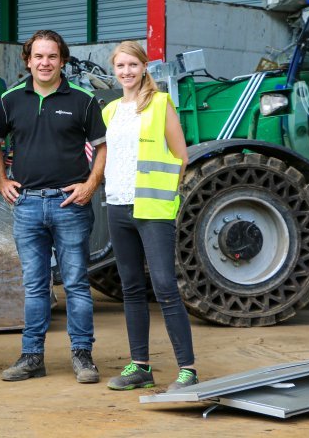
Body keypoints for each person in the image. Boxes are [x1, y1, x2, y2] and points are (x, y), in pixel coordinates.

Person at [0, 30, 106, 384]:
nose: (45, 63)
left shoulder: (83, 100)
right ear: (28, 61)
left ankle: (83, 356)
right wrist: (1, 180)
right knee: (35, 286)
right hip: (27, 204)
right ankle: (32, 357)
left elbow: (102, 147)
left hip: (70, 204)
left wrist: (90, 184)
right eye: (38, 56)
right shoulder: (10, 100)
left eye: (52, 56)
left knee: (76, 283)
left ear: (62, 61)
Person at [102, 41, 198, 392]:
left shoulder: (160, 104)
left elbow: (181, 156)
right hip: (118, 205)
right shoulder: (110, 110)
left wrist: (164, 196)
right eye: (120, 66)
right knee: (131, 288)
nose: (126, 71)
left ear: (144, 67)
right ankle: (140, 367)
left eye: (132, 65)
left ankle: (188, 370)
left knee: (165, 287)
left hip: (152, 208)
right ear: (114, 70)